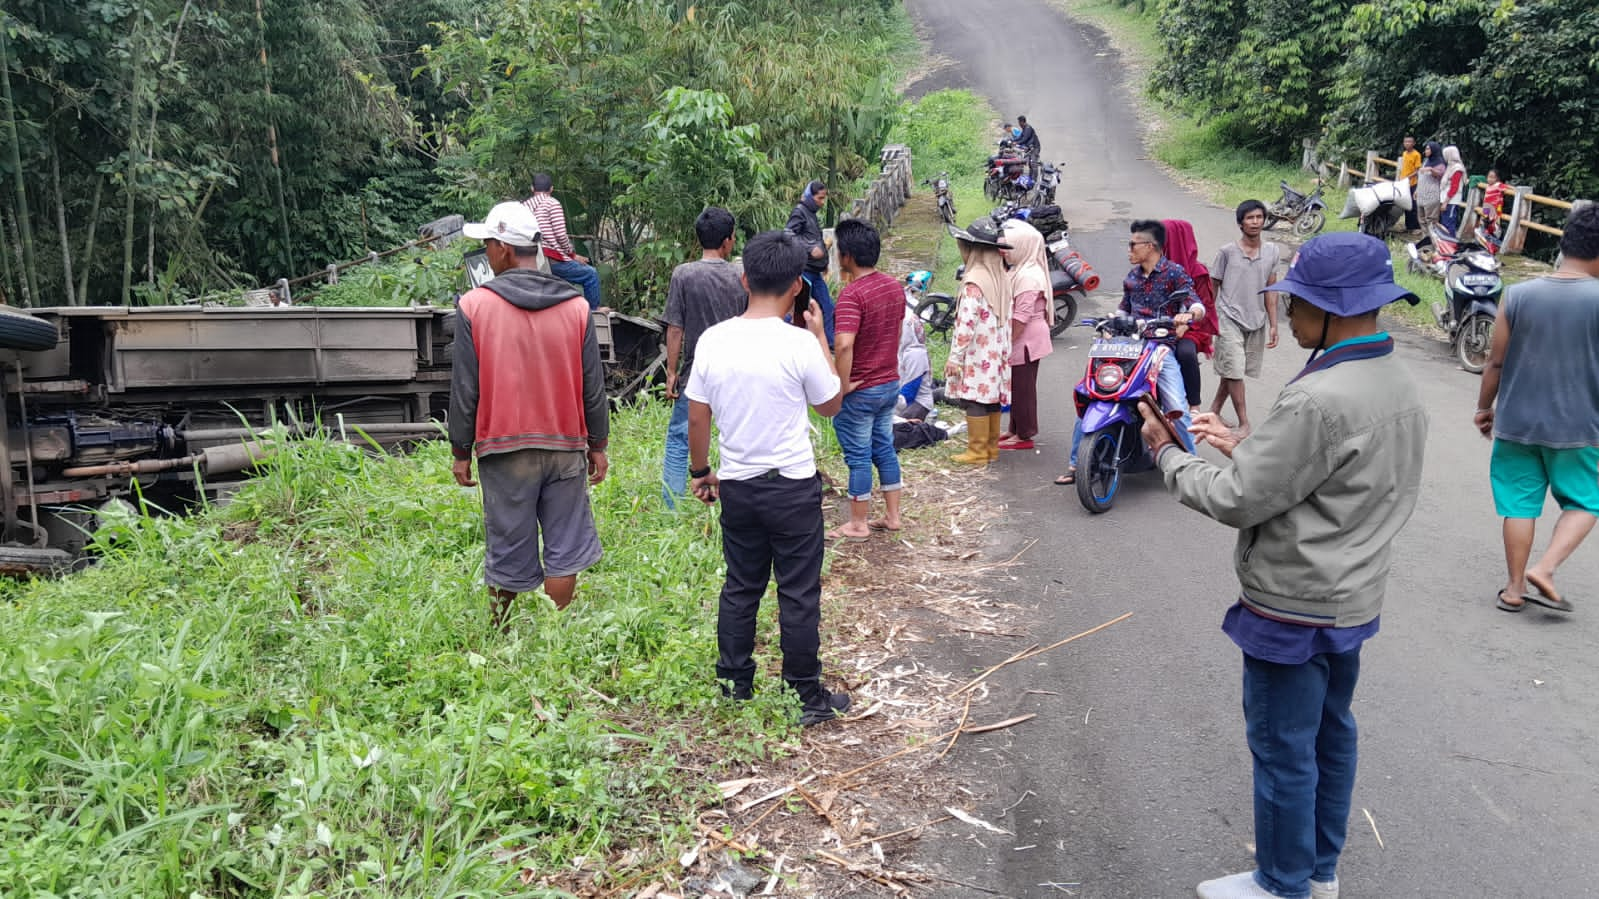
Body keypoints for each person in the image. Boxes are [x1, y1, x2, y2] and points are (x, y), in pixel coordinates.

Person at [1137, 232, 1428, 899]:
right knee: (1330, 733)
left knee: (1280, 748)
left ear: (1330, 308)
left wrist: (1165, 453)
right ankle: (1317, 869)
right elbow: (1330, 476)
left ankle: (1280, 882)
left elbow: (1236, 502)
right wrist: (1246, 446)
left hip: (1292, 602)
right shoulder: (1393, 379)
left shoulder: (1318, 396)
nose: (1287, 316)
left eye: (1295, 303)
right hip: (1350, 593)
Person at [684, 230, 850, 726]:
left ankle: (734, 683)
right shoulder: (798, 343)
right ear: (797, 286)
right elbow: (830, 404)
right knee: (798, 590)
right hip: (793, 486)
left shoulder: (715, 340)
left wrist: (700, 471)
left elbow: (697, 416)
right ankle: (805, 695)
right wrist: (821, 338)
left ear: (743, 279)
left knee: (741, 585)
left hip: (738, 484)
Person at [450, 201, 610, 629]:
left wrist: (460, 450)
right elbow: (592, 386)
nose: (485, 250)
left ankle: (500, 632)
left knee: (507, 543)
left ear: (503, 248)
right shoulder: (576, 307)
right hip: (565, 445)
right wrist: (599, 445)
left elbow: (466, 389)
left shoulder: (474, 306)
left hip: (504, 449)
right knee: (565, 545)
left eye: (487, 243)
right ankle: (554, 635)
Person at [1474, 204, 1599, 614]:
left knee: (1519, 504)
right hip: (1579, 426)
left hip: (1516, 422)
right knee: (1587, 501)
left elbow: (1495, 362)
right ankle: (1544, 569)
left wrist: (1483, 408)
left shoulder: (1519, 294)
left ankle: (1513, 589)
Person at [1057, 219, 1201, 485]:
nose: (1129, 249)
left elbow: (1195, 302)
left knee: (1176, 406)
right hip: (1128, 345)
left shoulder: (1174, 273)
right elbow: (1125, 307)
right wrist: (1113, 320)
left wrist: (1188, 315)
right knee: (1093, 392)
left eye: (1133, 244)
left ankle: (1192, 466)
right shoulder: (1132, 277)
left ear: (1151, 246)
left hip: (1159, 348)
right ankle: (1078, 464)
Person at [661, 207, 747, 507]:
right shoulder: (741, 275)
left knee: (679, 438)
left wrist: (671, 372)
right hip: (737, 370)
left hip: (695, 372)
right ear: (728, 241)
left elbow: (675, 328)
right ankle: (735, 499)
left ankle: (672, 506)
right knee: (735, 436)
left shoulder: (684, 274)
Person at [828, 218, 906, 539]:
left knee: (858, 456)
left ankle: (858, 523)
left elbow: (844, 344)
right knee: (884, 448)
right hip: (888, 382)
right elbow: (898, 332)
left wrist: (842, 385)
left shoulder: (851, 295)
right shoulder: (894, 286)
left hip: (861, 389)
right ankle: (892, 516)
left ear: (846, 255)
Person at [943, 219, 1014, 466]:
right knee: (991, 399)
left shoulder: (974, 281)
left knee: (974, 400)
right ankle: (991, 449)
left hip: (977, 352)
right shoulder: (1001, 277)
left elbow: (965, 324)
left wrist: (955, 357)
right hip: (997, 351)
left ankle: (976, 451)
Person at [1208, 200, 1282, 436]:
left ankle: (1214, 411)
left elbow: (1271, 290)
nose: (1255, 222)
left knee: (1232, 370)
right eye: (1250, 218)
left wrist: (1273, 324)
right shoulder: (1227, 252)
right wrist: (1209, 321)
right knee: (1236, 371)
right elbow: (1213, 287)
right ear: (1240, 223)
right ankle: (1244, 423)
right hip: (1228, 318)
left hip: (1256, 320)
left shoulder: (1272, 252)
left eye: (1259, 217)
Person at [997, 219, 1052, 451]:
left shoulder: (1029, 276)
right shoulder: (1021, 269)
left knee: (1023, 387)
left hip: (1026, 338)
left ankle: (1025, 435)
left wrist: (1007, 341)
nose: (1005, 253)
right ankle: (1015, 429)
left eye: (1010, 248)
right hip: (1022, 337)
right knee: (1016, 385)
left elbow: (1021, 316)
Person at [524, 174, 603, 310]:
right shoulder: (552, 203)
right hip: (551, 259)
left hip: (531, 259)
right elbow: (561, 236)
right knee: (590, 274)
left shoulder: (524, 207)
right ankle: (593, 313)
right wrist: (571, 254)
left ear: (532, 188)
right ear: (551, 189)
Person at [1165, 218, 1219, 416]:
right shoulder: (1153, 268)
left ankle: (1194, 405)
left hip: (1190, 328)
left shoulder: (1198, 272)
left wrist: (1185, 324)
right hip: (1157, 326)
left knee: (1186, 353)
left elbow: (1204, 308)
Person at [785, 180, 835, 344]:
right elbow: (787, 235)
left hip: (815, 271)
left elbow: (813, 238)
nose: (822, 203)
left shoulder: (811, 213)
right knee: (800, 309)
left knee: (827, 306)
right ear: (810, 196)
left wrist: (825, 263)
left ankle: (829, 342)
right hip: (804, 271)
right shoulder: (799, 212)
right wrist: (809, 249)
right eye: (820, 198)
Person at [896, 314, 936, 421]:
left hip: (919, 402)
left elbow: (911, 390)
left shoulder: (916, 354)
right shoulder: (904, 350)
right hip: (902, 397)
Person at [1416, 140, 1445, 234]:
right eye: (1426, 149)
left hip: (1432, 195)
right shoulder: (1426, 161)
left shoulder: (1440, 163)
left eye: (1428, 149)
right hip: (1421, 193)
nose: (1426, 151)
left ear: (1434, 150)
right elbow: (1421, 177)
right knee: (1421, 219)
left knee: (1431, 220)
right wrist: (1416, 190)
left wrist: (1432, 170)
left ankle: (1433, 240)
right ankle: (1425, 239)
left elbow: (1441, 175)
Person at [1439, 145, 1467, 236]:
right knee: (1444, 222)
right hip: (1445, 199)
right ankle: (1445, 243)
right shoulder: (1450, 166)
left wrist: (1445, 202)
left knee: (1449, 223)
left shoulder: (1457, 169)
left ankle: (1451, 242)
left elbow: (1454, 188)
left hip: (1451, 201)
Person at [1398, 136, 1422, 231]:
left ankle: (1415, 227)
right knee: (1405, 205)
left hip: (1412, 183)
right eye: (1405, 142)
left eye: (1409, 142)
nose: (1407, 143)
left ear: (1414, 143)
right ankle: (1408, 226)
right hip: (1404, 183)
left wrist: (1408, 177)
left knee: (1413, 205)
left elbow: (1417, 170)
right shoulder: (1404, 154)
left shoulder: (1416, 155)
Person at [1480, 168, 1507, 237]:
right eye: (1489, 177)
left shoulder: (1498, 185)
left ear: (1497, 178)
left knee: (1494, 223)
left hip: (1495, 207)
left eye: (1493, 177)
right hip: (1486, 206)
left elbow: (1507, 187)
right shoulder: (1488, 186)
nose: (1490, 179)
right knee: (1484, 221)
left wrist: (1516, 190)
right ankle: (1486, 236)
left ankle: (1495, 237)